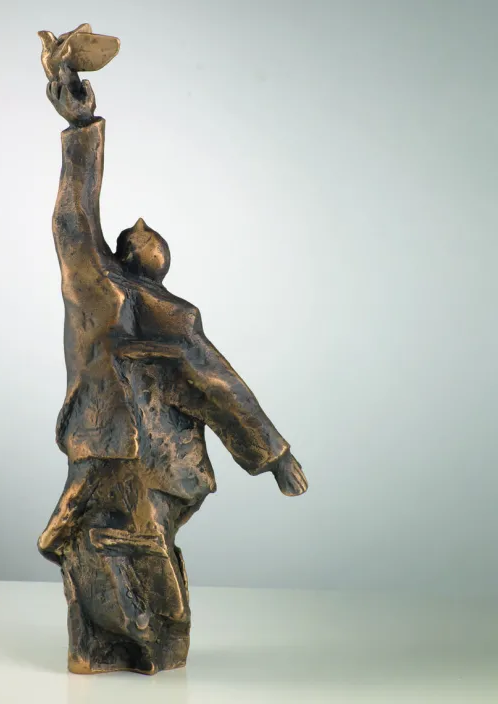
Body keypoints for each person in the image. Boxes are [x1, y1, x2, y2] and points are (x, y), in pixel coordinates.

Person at [38, 63, 307, 675]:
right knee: (117, 543)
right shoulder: (153, 309)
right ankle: (118, 639)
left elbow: (72, 222)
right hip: (143, 455)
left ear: (130, 256)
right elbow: (221, 389)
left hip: (122, 449)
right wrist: (273, 455)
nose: (135, 234)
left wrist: (82, 131)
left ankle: (139, 639)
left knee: (122, 543)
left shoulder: (109, 293)